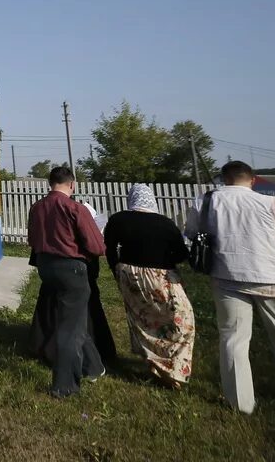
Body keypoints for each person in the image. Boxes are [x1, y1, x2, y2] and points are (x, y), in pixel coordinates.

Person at [197, 160, 275, 413]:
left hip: (227, 278)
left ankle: (241, 405)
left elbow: (193, 233)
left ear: (223, 179)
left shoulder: (206, 202)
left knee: (233, 340)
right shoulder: (272, 205)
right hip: (273, 279)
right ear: (252, 180)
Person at [102, 183, 194, 388]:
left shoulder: (119, 219)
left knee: (141, 319)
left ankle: (153, 361)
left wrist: (116, 269)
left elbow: (109, 247)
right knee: (182, 319)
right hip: (160, 275)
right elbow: (180, 254)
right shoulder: (166, 224)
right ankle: (174, 368)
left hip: (129, 275)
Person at [27, 166, 107, 397]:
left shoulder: (37, 207)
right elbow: (96, 246)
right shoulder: (75, 208)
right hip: (71, 268)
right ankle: (65, 385)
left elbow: (33, 238)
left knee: (74, 319)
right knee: (70, 328)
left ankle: (93, 366)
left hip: (45, 267)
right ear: (72, 184)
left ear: (49, 183)